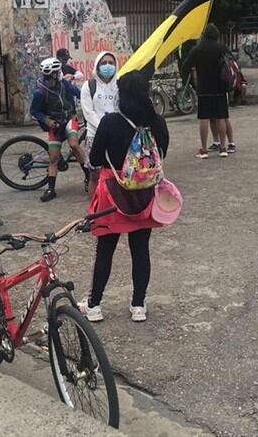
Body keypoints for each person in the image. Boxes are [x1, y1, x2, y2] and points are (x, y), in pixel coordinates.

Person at [80, 72, 170, 323]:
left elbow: (96, 159)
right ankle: (138, 305)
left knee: (106, 250)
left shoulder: (110, 122)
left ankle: (94, 305)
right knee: (140, 249)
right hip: (143, 195)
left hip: (113, 195)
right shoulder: (158, 123)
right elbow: (162, 154)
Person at [29, 57, 88, 202]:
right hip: (54, 124)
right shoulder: (40, 93)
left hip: (69, 119)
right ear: (52, 74)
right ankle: (51, 189)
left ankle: (89, 177)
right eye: (58, 71)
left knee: (74, 145)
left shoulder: (64, 84)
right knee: (54, 157)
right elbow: (35, 112)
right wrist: (48, 121)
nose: (60, 73)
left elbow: (79, 93)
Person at [179, 23, 235, 158]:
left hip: (204, 88)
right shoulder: (222, 48)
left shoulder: (197, 49)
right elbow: (232, 64)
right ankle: (223, 148)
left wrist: (192, 81)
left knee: (204, 118)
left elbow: (185, 67)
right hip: (220, 88)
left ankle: (204, 150)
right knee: (221, 117)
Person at [80, 51, 119, 198]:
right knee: (95, 175)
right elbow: (88, 112)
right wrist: (104, 129)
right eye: (104, 63)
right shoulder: (88, 86)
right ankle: (94, 209)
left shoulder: (119, 85)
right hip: (94, 136)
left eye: (111, 63)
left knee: (115, 174)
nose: (108, 66)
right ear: (97, 66)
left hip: (116, 138)